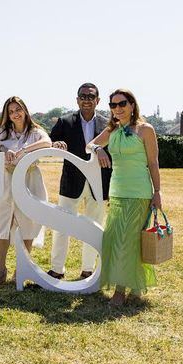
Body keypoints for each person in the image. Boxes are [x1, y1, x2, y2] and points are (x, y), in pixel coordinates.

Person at [87, 89, 160, 306]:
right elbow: (88, 144)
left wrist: (158, 192)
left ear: (132, 104)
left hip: (139, 193)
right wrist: (99, 148)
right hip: (117, 192)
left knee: (127, 242)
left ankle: (120, 290)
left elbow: (154, 163)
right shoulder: (112, 130)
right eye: (113, 105)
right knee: (116, 239)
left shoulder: (145, 130)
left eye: (122, 104)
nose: (117, 108)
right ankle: (132, 284)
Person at [0, 96, 51, 285]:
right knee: (1, 221)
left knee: (27, 223)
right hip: (7, 180)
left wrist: (24, 150)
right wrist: (2, 151)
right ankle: (0, 270)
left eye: (18, 110)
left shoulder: (35, 131)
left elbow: (46, 143)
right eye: (11, 112)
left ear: (25, 110)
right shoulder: (3, 132)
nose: (15, 114)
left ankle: (22, 270)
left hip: (30, 179)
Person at [47, 83, 112, 280]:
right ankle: (57, 269)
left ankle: (88, 270)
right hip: (70, 183)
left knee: (94, 227)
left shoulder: (108, 125)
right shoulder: (65, 122)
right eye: (83, 96)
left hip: (99, 184)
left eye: (91, 96)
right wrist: (55, 144)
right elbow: (50, 143)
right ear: (77, 100)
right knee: (61, 226)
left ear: (98, 101)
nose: (86, 99)